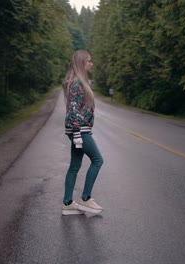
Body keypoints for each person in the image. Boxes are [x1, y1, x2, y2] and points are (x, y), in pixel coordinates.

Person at [61, 50, 104, 215]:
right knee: (98, 160)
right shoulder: (78, 83)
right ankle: (86, 198)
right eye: (89, 61)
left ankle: (67, 203)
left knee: (74, 166)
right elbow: (73, 110)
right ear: (81, 63)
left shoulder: (77, 82)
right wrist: (78, 134)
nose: (91, 64)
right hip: (79, 129)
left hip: (76, 129)